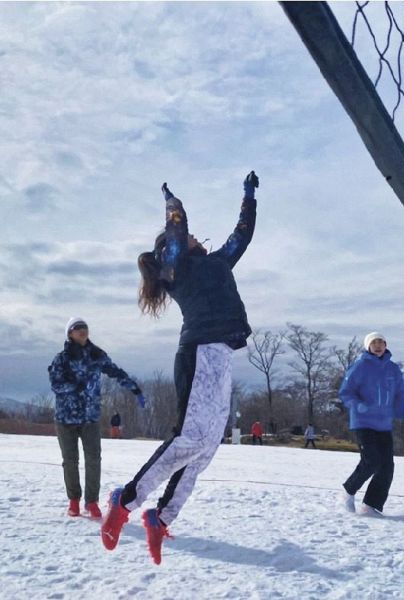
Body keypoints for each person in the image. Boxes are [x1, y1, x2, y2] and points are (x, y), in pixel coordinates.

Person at [101, 171, 259, 565]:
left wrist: (248, 196)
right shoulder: (174, 268)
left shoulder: (219, 261)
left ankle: (161, 517)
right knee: (188, 438)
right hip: (199, 351)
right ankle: (126, 500)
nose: (195, 238)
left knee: (206, 448)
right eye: (188, 237)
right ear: (170, 250)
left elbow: (242, 234)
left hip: (221, 354)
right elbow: (177, 229)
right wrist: (173, 202)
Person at [48, 317, 144, 519]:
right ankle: (73, 500)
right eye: (77, 328)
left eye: (85, 328)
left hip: (90, 418)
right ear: (70, 333)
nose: (83, 331)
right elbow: (56, 385)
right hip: (65, 418)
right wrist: (77, 387)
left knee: (93, 459)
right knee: (70, 460)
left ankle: (91, 502)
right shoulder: (62, 359)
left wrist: (133, 387)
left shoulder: (96, 355)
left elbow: (115, 372)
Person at [338, 332, 404, 516]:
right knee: (371, 461)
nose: (378, 346)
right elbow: (346, 392)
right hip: (363, 422)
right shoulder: (360, 366)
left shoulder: (393, 369)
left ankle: (371, 505)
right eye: (374, 343)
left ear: (386, 345)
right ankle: (347, 492)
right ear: (368, 346)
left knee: (386, 467)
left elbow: (400, 394)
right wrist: (357, 405)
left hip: (383, 424)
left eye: (381, 342)